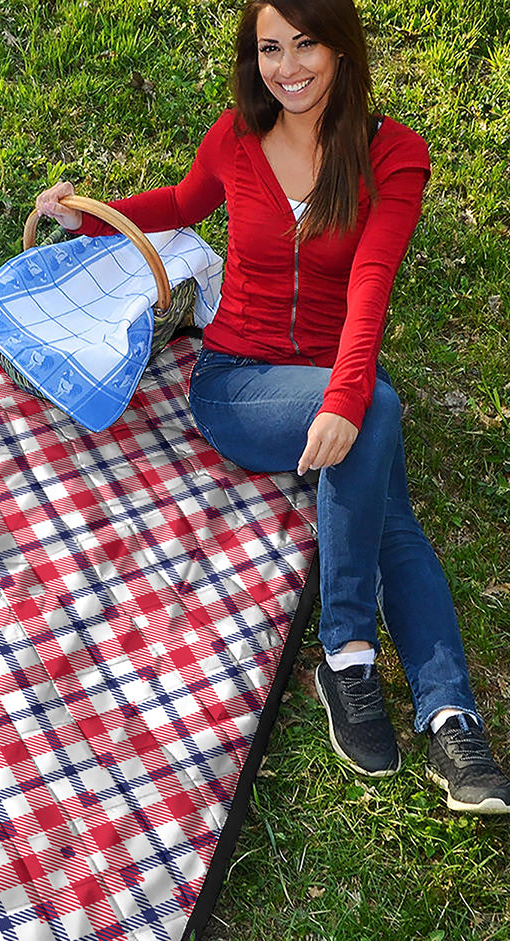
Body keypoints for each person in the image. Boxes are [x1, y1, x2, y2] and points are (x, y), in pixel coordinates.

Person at [34, 0, 510, 814]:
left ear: (342, 48)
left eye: (306, 44)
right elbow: (182, 205)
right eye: (269, 49)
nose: (287, 67)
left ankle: (443, 714)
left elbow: (371, 284)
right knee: (380, 421)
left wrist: (347, 396)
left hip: (330, 378)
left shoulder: (393, 156)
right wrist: (90, 221)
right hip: (237, 384)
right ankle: (356, 656)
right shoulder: (236, 137)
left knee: (384, 480)